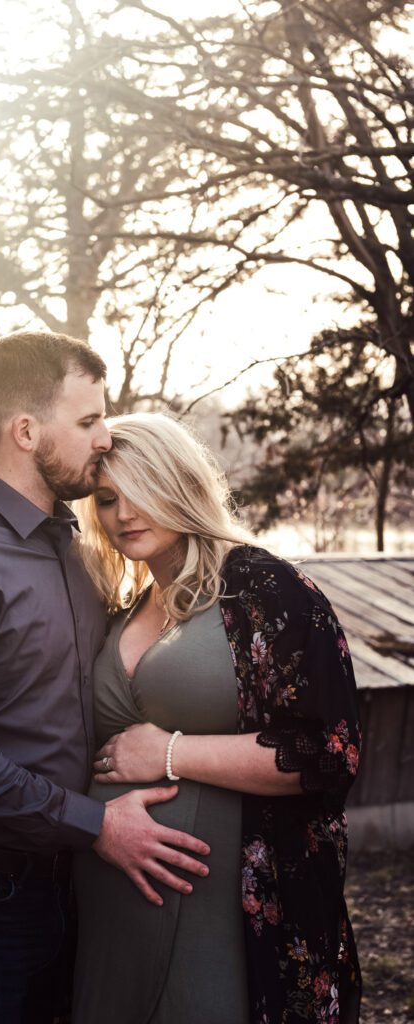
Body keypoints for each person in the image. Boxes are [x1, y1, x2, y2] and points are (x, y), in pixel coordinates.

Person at [0, 334, 210, 1024]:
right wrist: (96, 825)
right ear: (26, 431)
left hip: (64, 891)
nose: (104, 437)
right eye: (88, 421)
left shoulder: (76, 552)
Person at [72, 412, 362, 1024]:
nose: (124, 513)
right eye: (107, 498)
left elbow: (328, 751)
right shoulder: (124, 607)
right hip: (110, 926)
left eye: (143, 490)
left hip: (229, 920)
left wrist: (168, 753)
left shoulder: (264, 589)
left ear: (181, 483)